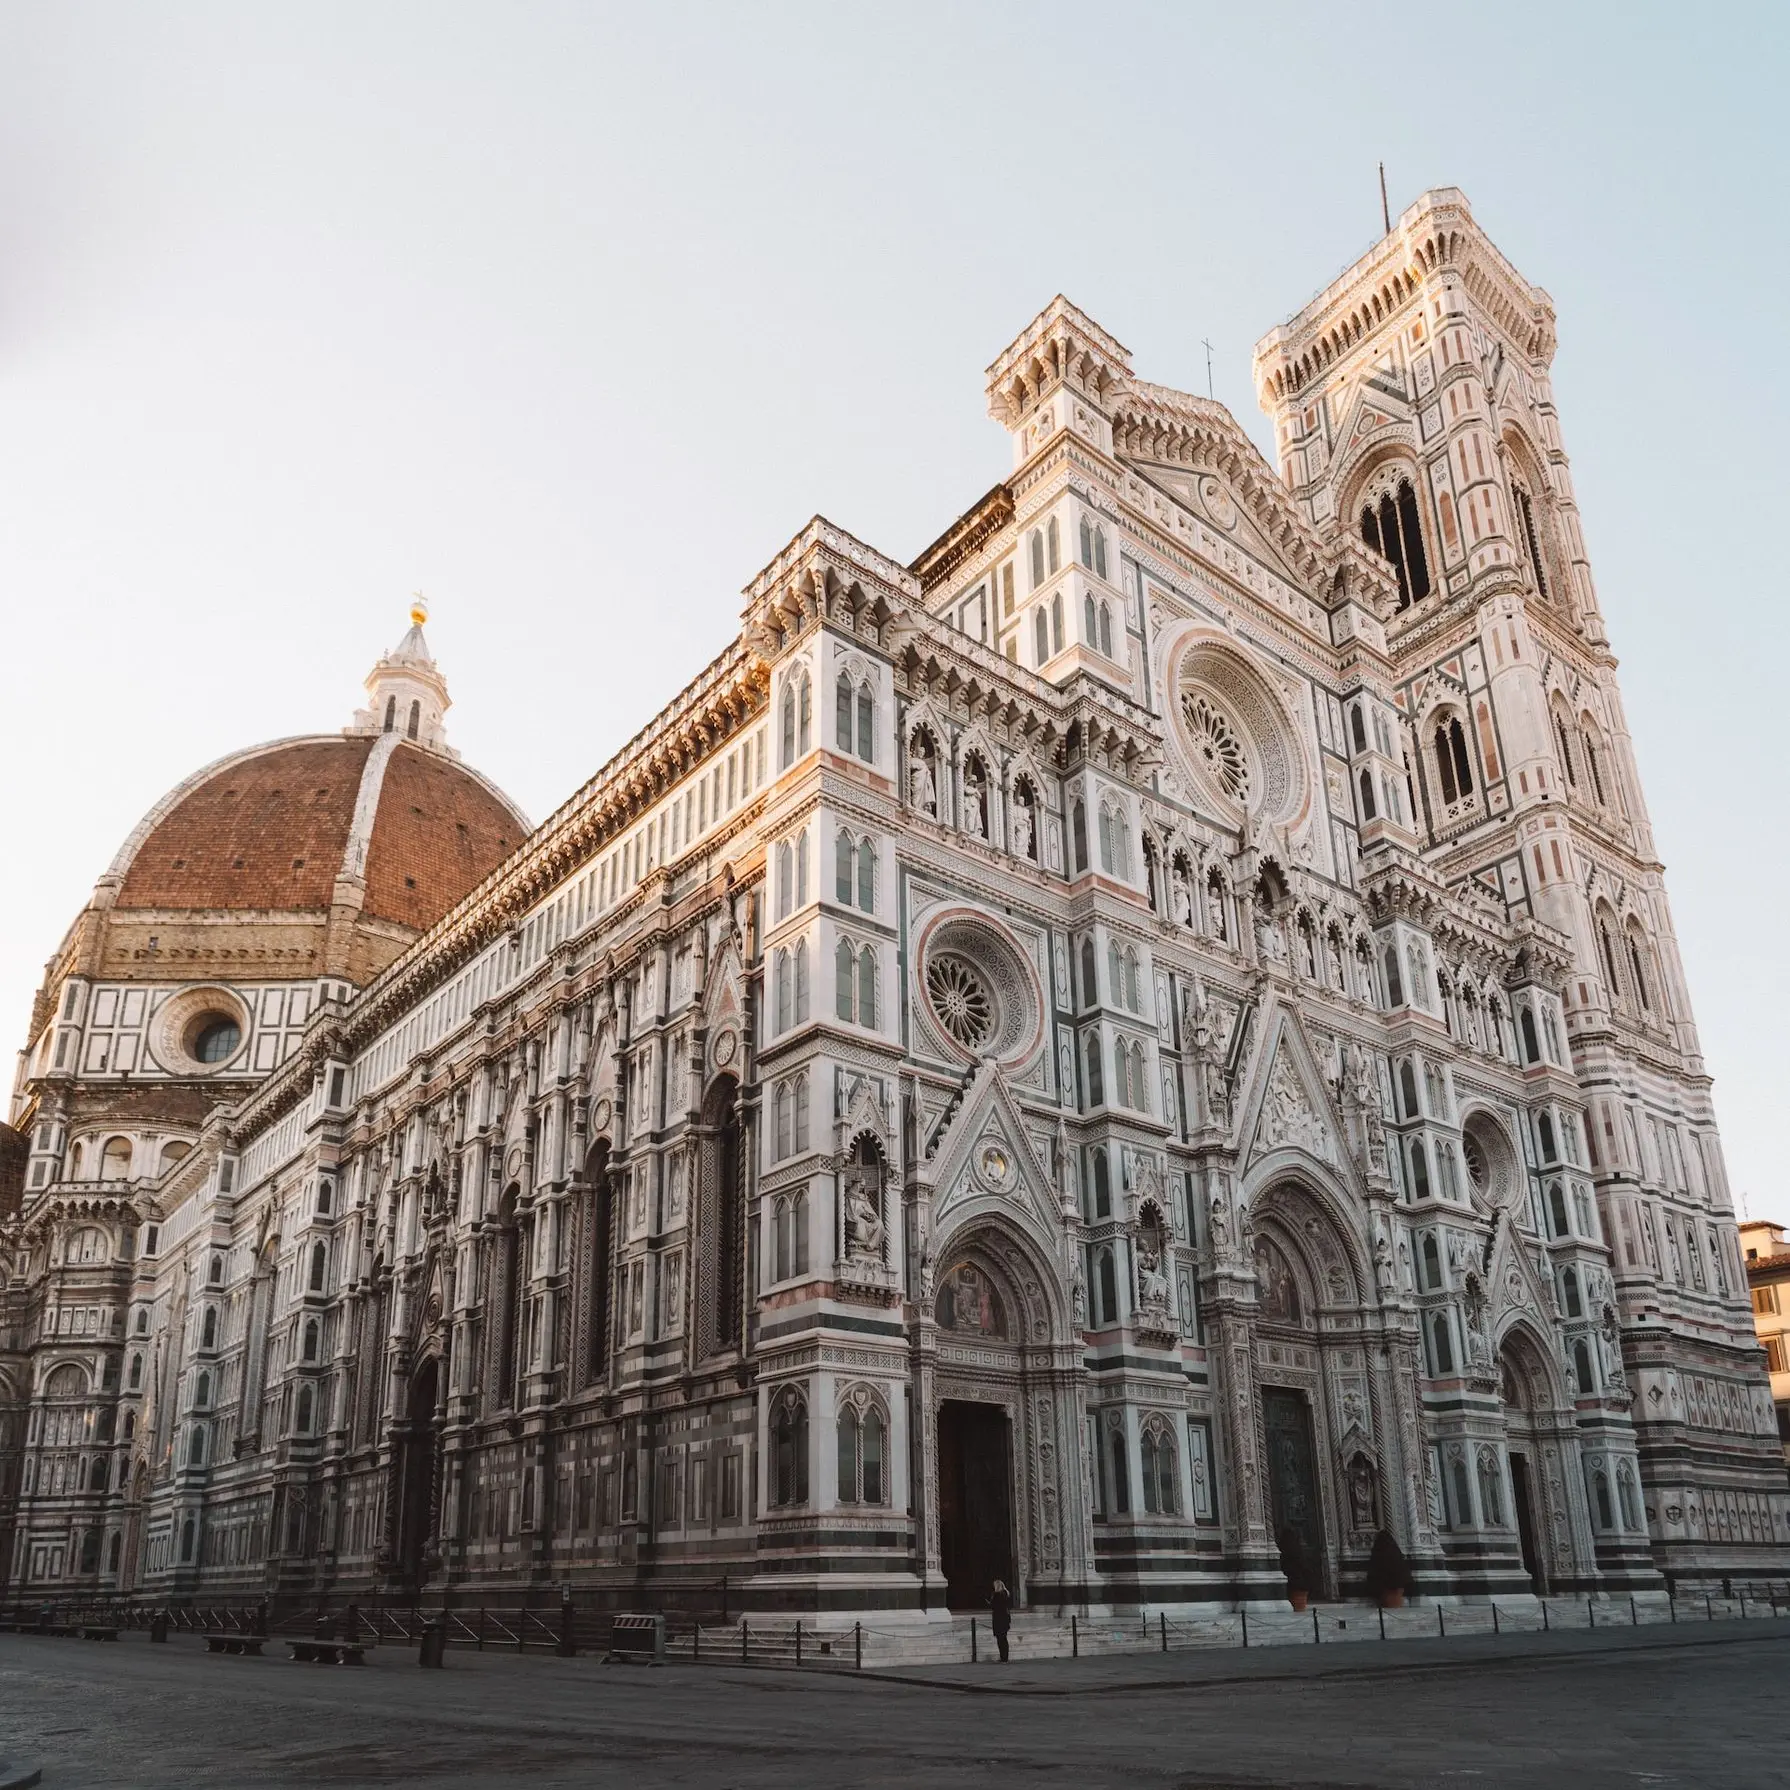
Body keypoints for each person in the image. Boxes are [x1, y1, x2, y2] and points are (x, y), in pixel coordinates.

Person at [988, 1579, 1012, 1662]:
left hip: (999, 1619)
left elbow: (994, 1606)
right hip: (1005, 1618)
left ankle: (1003, 1657)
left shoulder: (997, 1595)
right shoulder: (1006, 1594)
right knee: (1004, 1639)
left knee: (1000, 1640)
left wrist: (990, 1602)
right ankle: (1005, 1657)